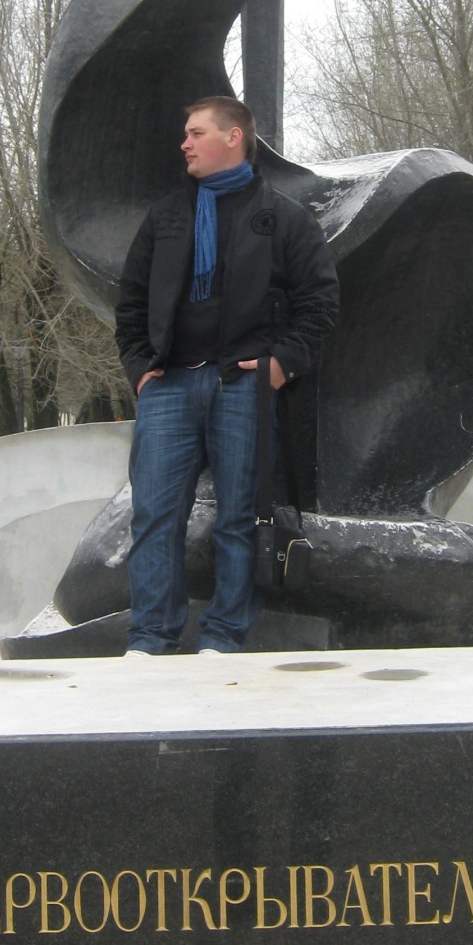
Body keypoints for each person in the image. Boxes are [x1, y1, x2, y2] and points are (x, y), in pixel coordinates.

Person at [114, 95, 338, 655]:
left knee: (240, 517)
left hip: (243, 386)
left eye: (196, 133)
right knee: (153, 516)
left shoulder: (283, 217)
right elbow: (132, 302)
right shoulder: (166, 217)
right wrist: (141, 368)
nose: (184, 144)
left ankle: (223, 637)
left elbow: (320, 302)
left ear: (233, 137)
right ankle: (150, 639)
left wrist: (280, 365)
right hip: (168, 385)